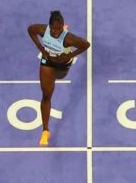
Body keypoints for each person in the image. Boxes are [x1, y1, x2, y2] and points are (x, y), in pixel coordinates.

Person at [27, 11, 90, 146]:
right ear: (49, 26)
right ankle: (45, 130)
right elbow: (30, 30)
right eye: (54, 29)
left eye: (59, 29)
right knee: (46, 95)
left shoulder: (68, 39)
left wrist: (69, 56)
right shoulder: (43, 30)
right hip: (47, 61)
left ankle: (58, 67)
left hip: (62, 65)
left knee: (59, 77)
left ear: (62, 27)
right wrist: (40, 48)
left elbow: (86, 45)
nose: (56, 32)